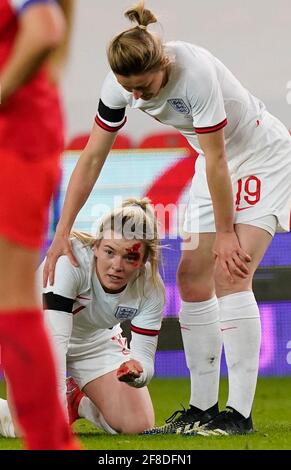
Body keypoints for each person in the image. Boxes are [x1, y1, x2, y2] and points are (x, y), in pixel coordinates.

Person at [43, 1, 291, 436]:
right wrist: (62, 231)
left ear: (164, 64)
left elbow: (219, 160)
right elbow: (92, 156)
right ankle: (201, 408)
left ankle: (238, 415)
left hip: (258, 156)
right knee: (193, 278)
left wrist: (228, 233)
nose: (136, 97)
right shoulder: (119, 85)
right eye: (129, 88)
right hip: (209, 162)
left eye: (144, 87)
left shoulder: (194, 73)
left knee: (231, 272)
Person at [0, 198, 165, 437]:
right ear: (96, 246)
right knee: (28, 428)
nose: (117, 266)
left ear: (144, 261)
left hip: (94, 340)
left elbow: (145, 361)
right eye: (109, 252)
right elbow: (53, 343)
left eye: (130, 257)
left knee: (137, 424)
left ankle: (76, 399)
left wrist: (138, 372)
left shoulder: (151, 288)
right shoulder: (70, 261)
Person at [0, 0, 80, 449]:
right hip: (16, 138)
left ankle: (52, 443)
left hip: (17, 142)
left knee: (10, 303)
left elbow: (44, 29)